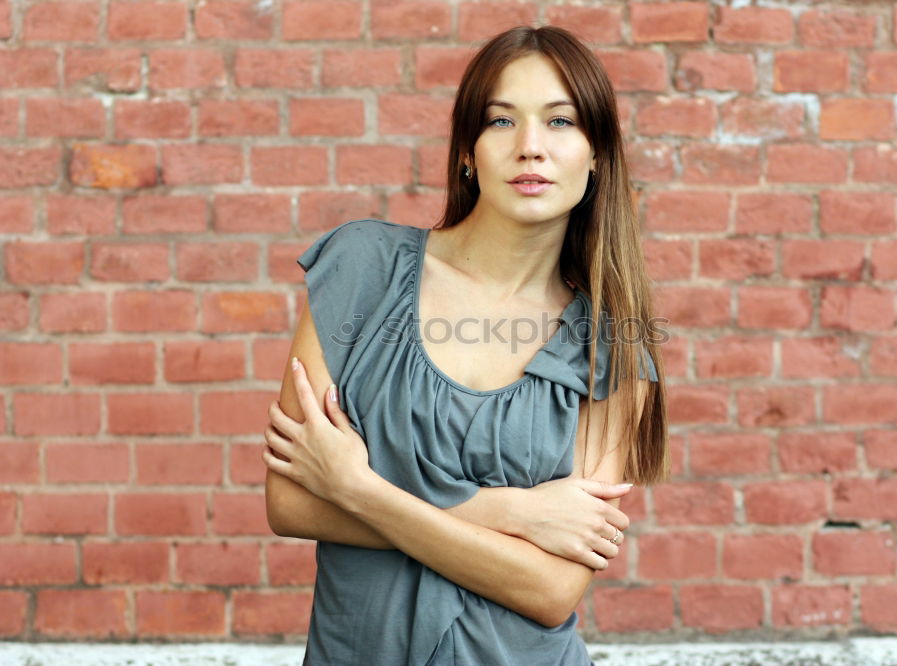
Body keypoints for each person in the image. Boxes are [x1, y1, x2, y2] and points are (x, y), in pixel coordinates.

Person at [262, 25, 671, 666]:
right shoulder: (363, 269)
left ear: (598, 157)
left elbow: (551, 588)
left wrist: (357, 488)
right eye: (502, 121)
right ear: (466, 151)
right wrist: (514, 513)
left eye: (560, 122)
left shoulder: (612, 347)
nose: (531, 148)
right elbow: (291, 501)